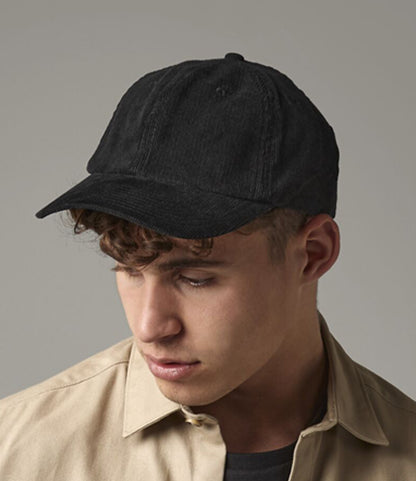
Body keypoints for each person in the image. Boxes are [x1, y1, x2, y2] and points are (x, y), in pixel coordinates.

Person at [0, 52, 415, 481]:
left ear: (314, 253)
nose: (149, 327)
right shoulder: (16, 452)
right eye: (129, 268)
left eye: (195, 279)